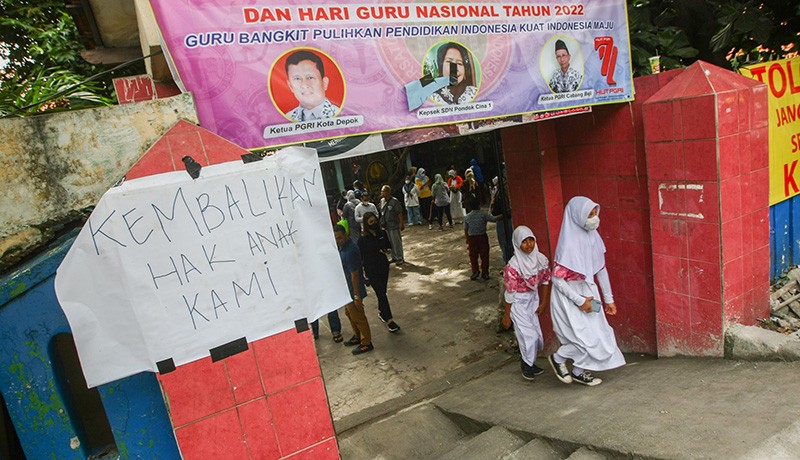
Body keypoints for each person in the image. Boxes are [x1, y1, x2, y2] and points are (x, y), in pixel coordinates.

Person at [548, 196, 625, 386]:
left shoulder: (594, 238)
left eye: (594, 213)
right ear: (576, 216)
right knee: (582, 338)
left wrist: (609, 299)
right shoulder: (568, 245)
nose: (594, 218)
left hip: (589, 291)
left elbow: (601, 269)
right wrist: (579, 301)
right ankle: (558, 359)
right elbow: (557, 280)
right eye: (589, 214)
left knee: (600, 333)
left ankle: (578, 371)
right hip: (569, 297)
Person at [503, 226, 552, 380]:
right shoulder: (513, 266)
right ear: (517, 244)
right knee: (527, 334)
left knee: (536, 333)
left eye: (531, 240)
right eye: (524, 241)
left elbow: (545, 281)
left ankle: (530, 363)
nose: (529, 244)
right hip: (518, 302)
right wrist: (507, 316)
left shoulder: (541, 259)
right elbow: (510, 293)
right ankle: (526, 365)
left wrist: (543, 302)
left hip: (533, 299)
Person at [334, 224, 374, 355]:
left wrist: (356, 296)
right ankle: (357, 335)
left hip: (353, 290)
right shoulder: (341, 248)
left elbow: (355, 275)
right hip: (345, 288)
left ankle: (366, 342)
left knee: (358, 316)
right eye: (335, 239)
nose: (337, 241)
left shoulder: (351, 250)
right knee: (349, 314)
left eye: (339, 238)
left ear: (346, 235)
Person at [358, 212, 401, 333]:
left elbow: (388, 246)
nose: (374, 223)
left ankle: (382, 312)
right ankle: (389, 320)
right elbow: (360, 258)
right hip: (371, 269)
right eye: (371, 222)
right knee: (381, 293)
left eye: (374, 221)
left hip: (383, 266)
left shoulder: (382, 233)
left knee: (383, 291)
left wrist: (384, 249)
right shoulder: (363, 239)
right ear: (366, 224)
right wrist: (363, 275)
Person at [285, 50, 340, 122]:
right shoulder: (286, 119)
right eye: (297, 78)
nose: (304, 85)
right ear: (290, 86)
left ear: (324, 83)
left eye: (310, 77)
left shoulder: (342, 115)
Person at [463, 196, 497, 280]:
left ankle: (475, 271)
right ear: (479, 205)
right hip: (482, 236)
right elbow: (494, 219)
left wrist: (467, 239)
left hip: (472, 238)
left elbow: (465, 229)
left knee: (473, 256)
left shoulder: (467, 217)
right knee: (484, 255)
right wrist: (503, 215)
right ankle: (485, 272)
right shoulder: (483, 214)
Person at [490, 175, 514, 263]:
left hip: (502, 219)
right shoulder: (501, 192)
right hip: (504, 218)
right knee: (508, 242)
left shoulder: (501, 194)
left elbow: (505, 209)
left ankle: (509, 263)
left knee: (505, 242)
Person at [379, 185, 405, 264]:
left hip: (394, 225)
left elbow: (399, 213)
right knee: (390, 243)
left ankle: (400, 257)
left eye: (383, 191)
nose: (382, 193)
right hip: (386, 226)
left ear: (388, 192)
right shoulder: (382, 201)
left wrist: (401, 223)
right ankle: (394, 257)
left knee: (396, 242)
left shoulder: (394, 201)